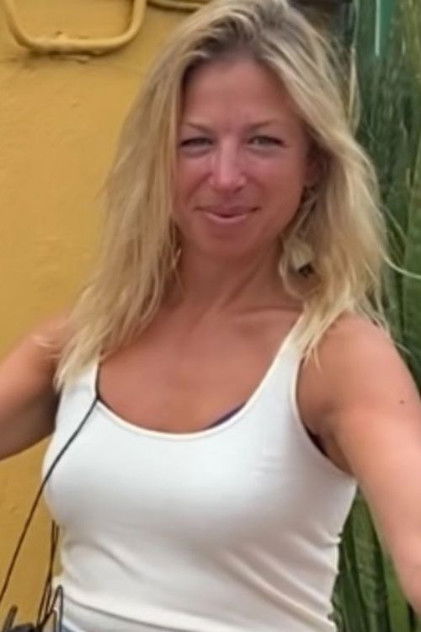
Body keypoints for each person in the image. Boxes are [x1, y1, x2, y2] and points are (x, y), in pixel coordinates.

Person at [1, 0, 421, 630]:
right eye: (196, 142)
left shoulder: (336, 358)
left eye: (263, 142)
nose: (226, 176)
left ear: (312, 163)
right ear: (160, 158)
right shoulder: (90, 336)